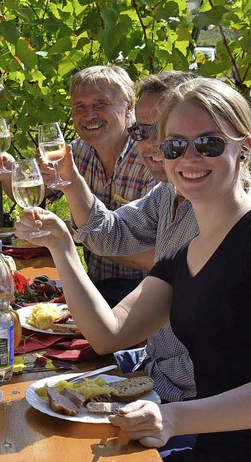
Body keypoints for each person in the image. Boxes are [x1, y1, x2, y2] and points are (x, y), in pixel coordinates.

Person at [16, 77, 251, 460]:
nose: (188, 158)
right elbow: (108, 335)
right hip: (188, 429)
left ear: (243, 149)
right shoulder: (183, 255)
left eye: (209, 143)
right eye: (174, 146)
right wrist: (60, 245)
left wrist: (174, 418)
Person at [43, 71, 200, 405]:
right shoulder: (168, 195)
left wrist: (64, 244)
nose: (154, 144)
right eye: (142, 132)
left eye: (205, 142)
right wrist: (70, 182)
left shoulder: (228, 223)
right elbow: (109, 234)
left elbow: (110, 335)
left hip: (185, 402)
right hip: (152, 370)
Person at [0, 65, 157, 305]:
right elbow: (37, 195)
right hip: (95, 288)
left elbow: (159, 257)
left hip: (148, 299)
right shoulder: (77, 151)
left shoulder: (152, 160)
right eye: (80, 107)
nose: (89, 115)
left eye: (100, 104)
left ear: (129, 107)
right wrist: (9, 176)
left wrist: (76, 237)